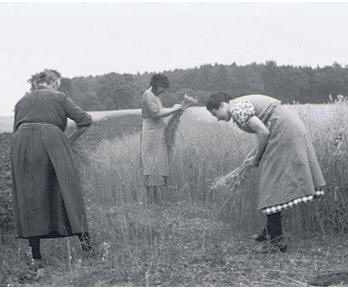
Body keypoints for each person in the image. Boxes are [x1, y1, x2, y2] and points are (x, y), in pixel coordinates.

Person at [206, 93, 326, 252]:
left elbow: (263, 132)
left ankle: (277, 243)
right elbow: (263, 131)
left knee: (270, 185)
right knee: (271, 183)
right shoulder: (238, 105)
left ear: (222, 105)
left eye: (216, 114)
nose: (218, 119)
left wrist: (256, 160)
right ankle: (269, 232)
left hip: (283, 131)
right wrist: (252, 157)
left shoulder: (237, 110)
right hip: (285, 127)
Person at [11, 69, 93, 266]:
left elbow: (15, 128)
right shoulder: (59, 97)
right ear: (54, 82)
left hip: (21, 145)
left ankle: (37, 257)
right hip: (51, 140)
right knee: (68, 191)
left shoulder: (22, 101)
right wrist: (69, 141)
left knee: (30, 197)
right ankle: (88, 248)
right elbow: (85, 119)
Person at [140, 74, 184, 205]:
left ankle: (157, 199)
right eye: (163, 87)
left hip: (158, 132)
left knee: (159, 164)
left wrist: (174, 108)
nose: (164, 90)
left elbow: (160, 110)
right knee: (151, 164)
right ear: (155, 85)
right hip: (151, 133)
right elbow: (156, 114)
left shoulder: (155, 96)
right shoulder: (147, 95)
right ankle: (151, 199)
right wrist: (173, 110)